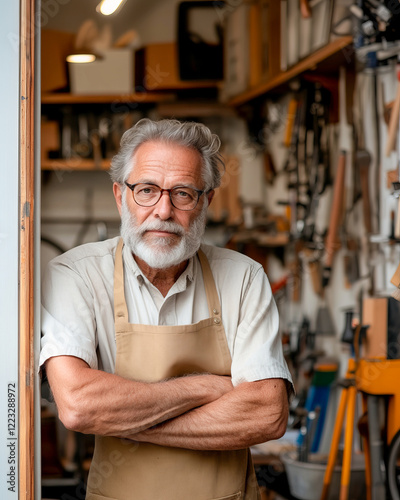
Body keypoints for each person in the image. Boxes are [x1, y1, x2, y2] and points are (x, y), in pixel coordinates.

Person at [40, 118, 294, 500]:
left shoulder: (243, 278)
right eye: (146, 190)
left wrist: (123, 421)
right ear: (119, 196)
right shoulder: (74, 275)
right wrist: (206, 387)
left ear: (206, 200)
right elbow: (79, 405)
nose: (163, 211)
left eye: (183, 194)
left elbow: (267, 414)